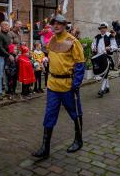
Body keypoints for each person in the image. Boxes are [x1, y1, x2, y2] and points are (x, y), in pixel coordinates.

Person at [32, 14, 85, 159]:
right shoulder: (52, 41)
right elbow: (49, 57)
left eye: (59, 23)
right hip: (52, 85)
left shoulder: (73, 42)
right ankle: (45, 147)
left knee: (74, 113)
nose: (56, 26)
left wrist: (76, 84)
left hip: (68, 85)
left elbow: (80, 65)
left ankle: (78, 139)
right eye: (54, 23)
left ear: (64, 25)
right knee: (49, 114)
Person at [92, 22, 118, 98]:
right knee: (102, 72)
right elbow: (93, 44)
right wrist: (93, 48)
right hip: (98, 57)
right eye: (101, 28)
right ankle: (107, 87)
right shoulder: (97, 37)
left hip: (107, 57)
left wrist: (109, 48)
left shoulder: (110, 36)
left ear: (106, 28)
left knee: (105, 72)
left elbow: (115, 46)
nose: (102, 30)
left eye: (104, 28)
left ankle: (102, 89)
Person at [0, 21, 13, 100]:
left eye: (8, 26)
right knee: (0, 74)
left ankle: (6, 90)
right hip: (0, 57)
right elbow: (0, 47)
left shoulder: (8, 35)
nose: (7, 27)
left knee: (7, 74)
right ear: (2, 26)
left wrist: (13, 53)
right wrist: (9, 55)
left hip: (7, 57)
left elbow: (9, 46)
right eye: (6, 26)